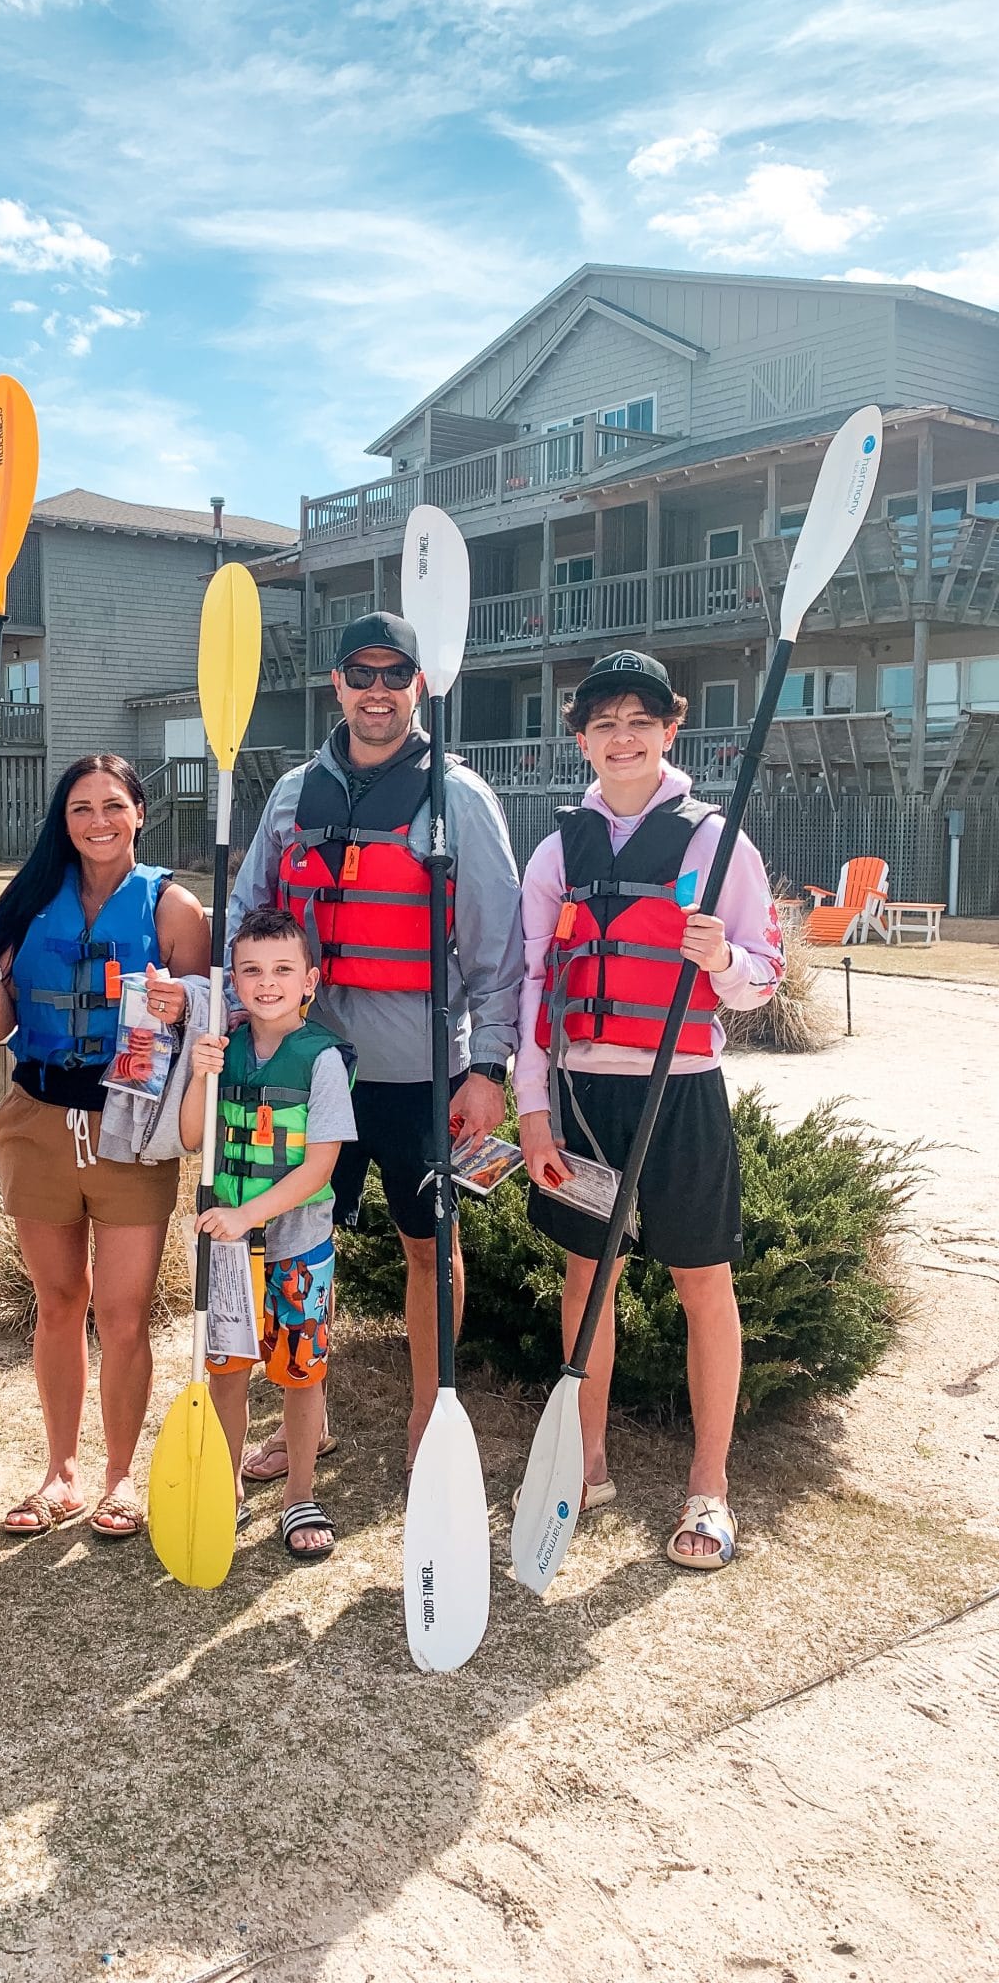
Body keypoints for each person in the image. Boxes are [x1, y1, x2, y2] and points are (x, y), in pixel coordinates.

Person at [229, 612, 522, 1478]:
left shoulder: (459, 797)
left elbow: (499, 948)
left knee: (429, 1248)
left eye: (397, 674)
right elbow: (249, 919)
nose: (379, 690)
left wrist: (490, 1068)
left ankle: (432, 1421)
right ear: (338, 686)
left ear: (420, 687)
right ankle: (302, 1421)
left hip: (419, 1073)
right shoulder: (291, 797)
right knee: (295, 1245)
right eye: (362, 674)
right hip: (300, 1066)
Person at [515, 651, 785, 1571]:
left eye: (639, 720)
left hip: (682, 1091)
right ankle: (585, 1463)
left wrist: (722, 963)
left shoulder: (718, 842)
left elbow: (764, 974)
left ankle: (709, 1490)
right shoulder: (556, 850)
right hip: (583, 1098)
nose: (620, 737)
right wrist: (532, 1110)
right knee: (587, 1279)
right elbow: (530, 987)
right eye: (602, 722)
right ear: (581, 736)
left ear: (671, 729)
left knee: (703, 1282)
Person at [0, 754, 210, 1541]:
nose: (97, 821)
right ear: (61, 822)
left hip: (131, 1126)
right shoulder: (26, 901)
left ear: (139, 812)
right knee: (60, 1303)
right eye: (79, 809)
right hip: (37, 1120)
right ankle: (60, 1473)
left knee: (124, 1313)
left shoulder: (173, 908)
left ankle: (120, 1476)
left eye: (112, 806)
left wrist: (183, 1003)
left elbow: (207, 1023)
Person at [181, 906, 356, 1560]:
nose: (266, 982)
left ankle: (300, 1494)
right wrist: (201, 1073)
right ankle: (224, 1489)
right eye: (251, 970)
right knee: (226, 1370)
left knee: (299, 1372)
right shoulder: (220, 1049)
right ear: (236, 981)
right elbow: (192, 1136)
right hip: (227, 1249)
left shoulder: (322, 1061)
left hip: (296, 1246)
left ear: (309, 980)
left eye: (283, 969)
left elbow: (319, 1166)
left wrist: (249, 1216)